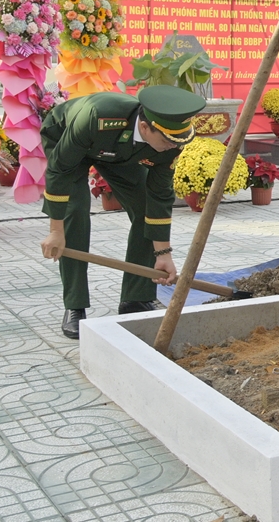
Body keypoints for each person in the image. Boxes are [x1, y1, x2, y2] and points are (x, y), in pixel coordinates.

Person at [39, 86, 205, 339]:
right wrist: (55, 231)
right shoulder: (97, 117)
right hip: (69, 138)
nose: (173, 146)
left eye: (177, 141)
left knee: (143, 209)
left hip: (119, 152)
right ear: (146, 127)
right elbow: (60, 171)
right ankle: (75, 306)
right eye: (168, 140)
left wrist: (163, 253)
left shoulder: (169, 142)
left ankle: (135, 299)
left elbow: (158, 198)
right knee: (75, 213)